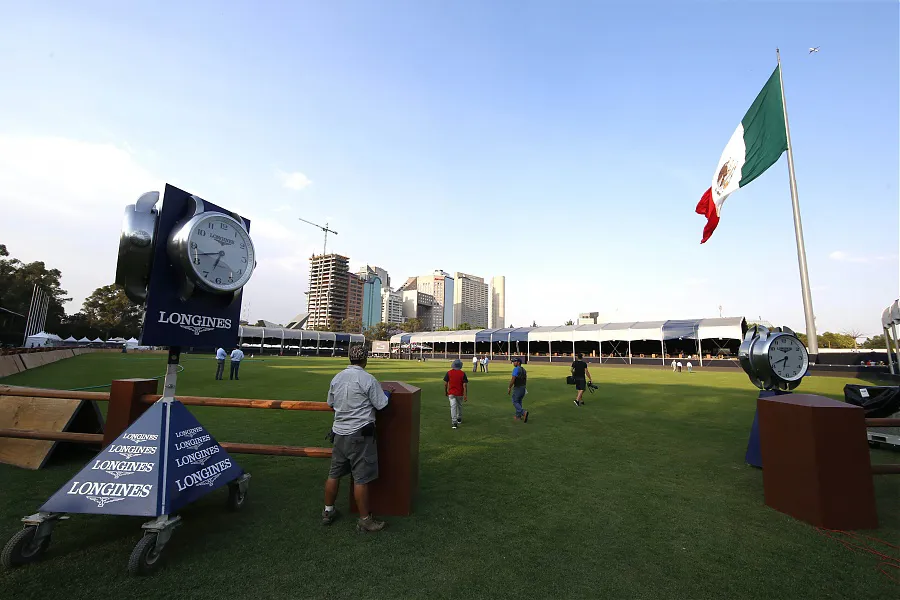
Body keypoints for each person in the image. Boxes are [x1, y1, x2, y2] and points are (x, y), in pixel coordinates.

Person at [321, 346, 390, 532]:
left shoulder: (337, 378)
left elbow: (330, 403)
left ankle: (328, 511)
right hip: (360, 434)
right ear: (365, 360)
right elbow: (382, 405)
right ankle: (365, 520)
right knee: (361, 478)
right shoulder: (368, 379)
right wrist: (388, 393)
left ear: (349, 358)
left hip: (338, 433)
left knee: (334, 474)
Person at [443, 359, 468, 429]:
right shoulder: (462, 373)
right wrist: (465, 395)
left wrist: (445, 391)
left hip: (451, 393)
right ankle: (459, 418)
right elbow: (465, 385)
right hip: (460, 393)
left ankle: (454, 422)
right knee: (459, 406)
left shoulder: (449, 373)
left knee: (453, 407)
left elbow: (445, 384)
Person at [507, 357, 529, 423]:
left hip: (518, 388)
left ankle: (523, 412)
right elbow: (525, 379)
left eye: (515, 361)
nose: (513, 363)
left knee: (515, 401)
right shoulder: (524, 370)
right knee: (519, 402)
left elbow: (513, 379)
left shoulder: (516, 369)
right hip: (523, 387)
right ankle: (518, 416)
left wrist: (509, 387)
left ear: (518, 362)